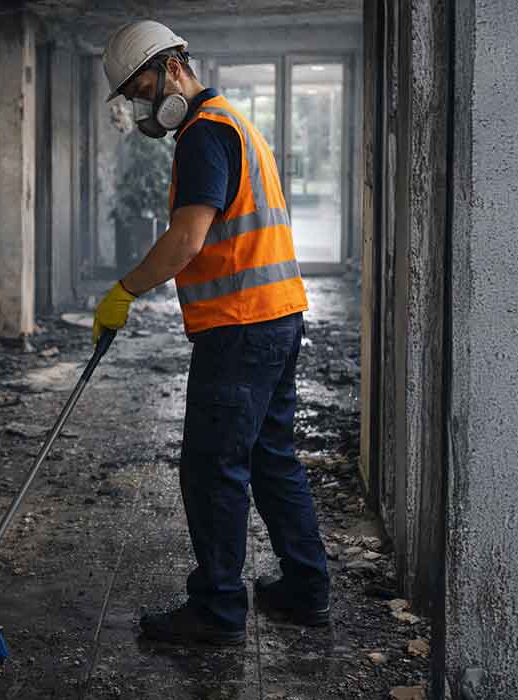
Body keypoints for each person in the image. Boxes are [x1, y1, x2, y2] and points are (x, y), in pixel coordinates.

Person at [94, 20, 331, 646]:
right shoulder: (234, 122)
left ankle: (219, 611)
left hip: (243, 328)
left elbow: (185, 241)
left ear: (173, 67)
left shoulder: (204, 135)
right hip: (279, 316)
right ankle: (306, 591)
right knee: (270, 455)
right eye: (131, 93)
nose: (141, 101)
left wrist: (125, 290)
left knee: (211, 467)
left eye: (141, 84)